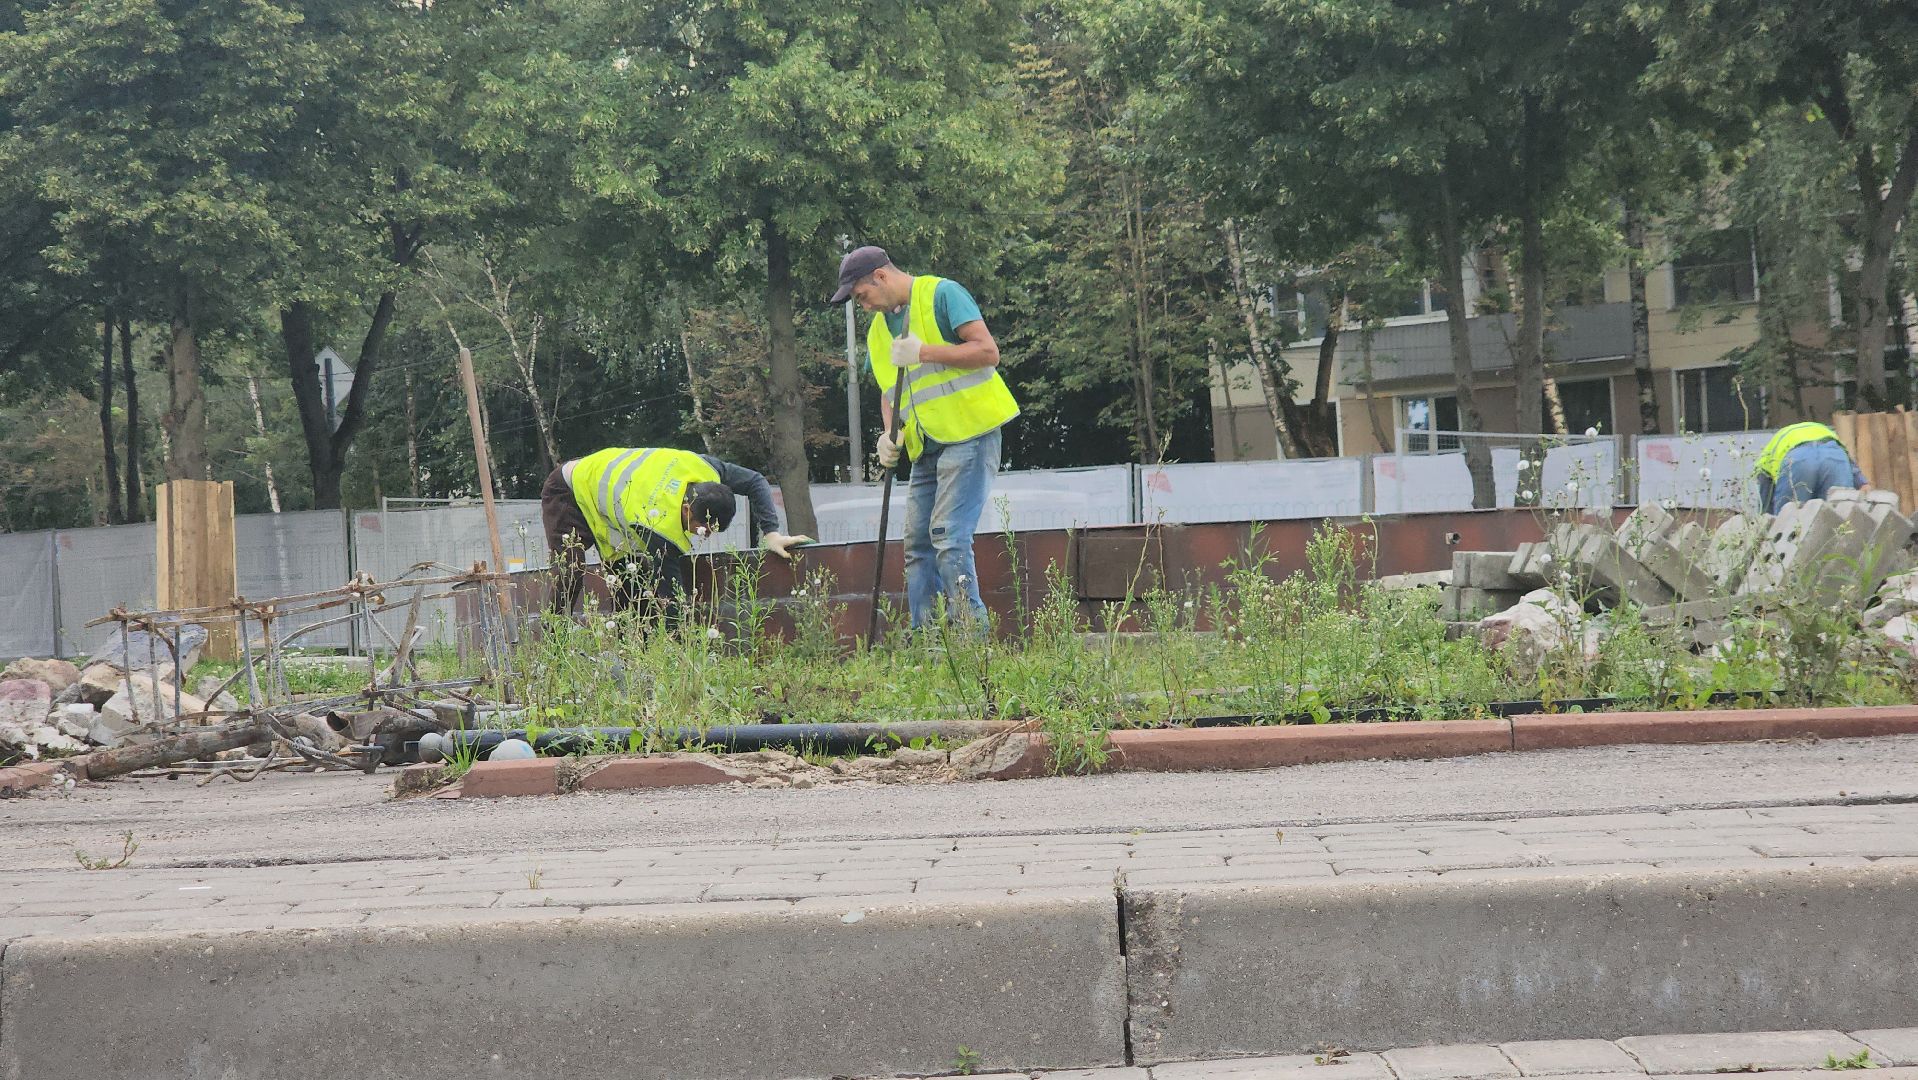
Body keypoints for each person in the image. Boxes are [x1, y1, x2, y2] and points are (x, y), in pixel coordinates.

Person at [829, 245, 1019, 629]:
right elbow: (889, 390)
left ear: (880, 277)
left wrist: (925, 351)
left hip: (970, 433)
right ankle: (928, 643)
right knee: (917, 545)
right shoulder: (879, 330)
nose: (862, 306)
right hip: (924, 446)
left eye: (862, 296)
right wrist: (889, 433)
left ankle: (969, 640)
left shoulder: (942, 294)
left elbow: (988, 352)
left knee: (948, 537)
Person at [541, 447, 810, 615]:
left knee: (631, 587)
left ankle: (632, 661)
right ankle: (554, 642)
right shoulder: (659, 527)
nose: (703, 535)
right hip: (570, 487)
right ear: (685, 509)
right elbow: (671, 593)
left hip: (613, 493)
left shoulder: (705, 469)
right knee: (570, 570)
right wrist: (681, 642)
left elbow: (755, 482)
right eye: (701, 529)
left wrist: (771, 533)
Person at [1754, 421, 1868, 514]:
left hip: (1797, 458)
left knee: (1788, 522)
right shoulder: (1825, 433)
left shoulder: (1766, 458)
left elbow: (1766, 511)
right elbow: (1863, 485)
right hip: (1834, 455)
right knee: (1841, 518)